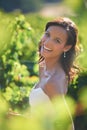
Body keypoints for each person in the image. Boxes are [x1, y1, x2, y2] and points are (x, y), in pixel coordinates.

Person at [29, 17, 79, 130]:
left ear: (66, 47)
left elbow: (68, 126)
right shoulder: (43, 67)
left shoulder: (53, 82)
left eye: (57, 40)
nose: (47, 42)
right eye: (47, 34)